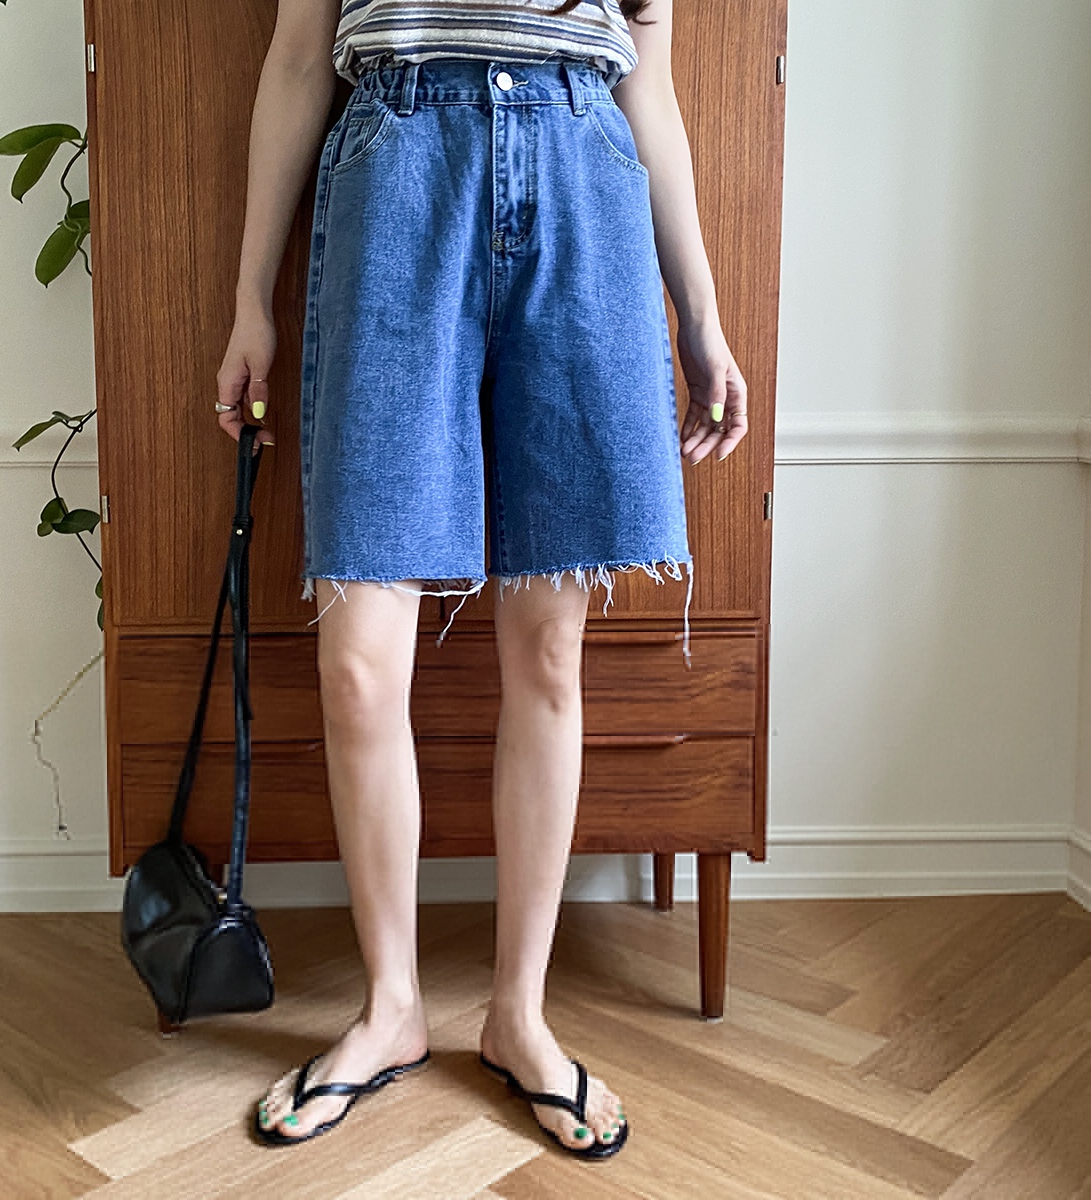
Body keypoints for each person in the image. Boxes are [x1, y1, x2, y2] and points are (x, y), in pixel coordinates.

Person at [215, 0, 747, 1159]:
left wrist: (701, 312)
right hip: (397, 173)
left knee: (548, 652)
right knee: (358, 668)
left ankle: (520, 1015)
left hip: (583, 174)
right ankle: (391, 1007)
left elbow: (650, 89)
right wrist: (251, 296)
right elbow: (299, 57)